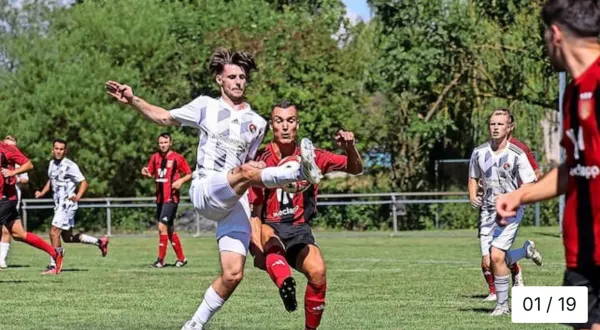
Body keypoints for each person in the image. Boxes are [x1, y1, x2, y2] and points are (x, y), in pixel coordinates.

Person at [105, 48, 323, 330]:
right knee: (246, 172)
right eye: (232, 76)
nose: (238, 81)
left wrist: (257, 172)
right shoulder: (204, 106)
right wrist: (133, 100)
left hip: (234, 198)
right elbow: (163, 118)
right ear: (219, 79)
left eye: (242, 77)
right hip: (207, 188)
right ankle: (297, 170)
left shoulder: (258, 123)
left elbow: (249, 165)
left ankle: (193, 325)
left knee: (233, 274)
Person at [496, 1, 600, 328]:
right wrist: (521, 195)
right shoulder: (572, 93)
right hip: (581, 256)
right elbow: (574, 169)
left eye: (543, 36)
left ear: (555, 34)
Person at [248, 101, 362, 330]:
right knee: (270, 237)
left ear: (297, 124)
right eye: (279, 121)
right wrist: (256, 247)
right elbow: (255, 213)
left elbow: (355, 168)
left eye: (290, 121)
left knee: (318, 272)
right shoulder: (261, 160)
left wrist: (349, 147)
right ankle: (284, 282)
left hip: (300, 229)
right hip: (270, 226)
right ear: (272, 126)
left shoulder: (311, 156)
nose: (285, 126)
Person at [468, 108, 542, 315]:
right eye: (492, 123)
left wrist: (512, 198)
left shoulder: (517, 153)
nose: (495, 127)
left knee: (496, 255)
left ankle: (502, 306)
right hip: (487, 211)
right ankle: (524, 252)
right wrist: (473, 196)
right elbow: (473, 177)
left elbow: (530, 183)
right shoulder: (479, 152)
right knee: (490, 260)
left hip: (510, 210)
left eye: (500, 124)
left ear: (510, 128)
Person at [35, 139, 109, 274]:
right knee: (67, 238)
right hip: (58, 205)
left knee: (53, 232)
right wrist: (42, 192)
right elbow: (51, 180)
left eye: (61, 149)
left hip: (67, 204)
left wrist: (78, 196)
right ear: (52, 150)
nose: (58, 151)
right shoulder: (51, 164)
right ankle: (100, 242)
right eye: (56, 148)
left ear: (65, 151)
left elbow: (84, 182)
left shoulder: (70, 166)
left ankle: (54, 265)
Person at [0, 139, 63, 273]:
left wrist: (12, 173)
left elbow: (28, 164)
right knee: (18, 234)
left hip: (5, 198)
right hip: (7, 198)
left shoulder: (7, 150)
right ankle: (54, 253)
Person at [142, 132, 192, 268]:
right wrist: (146, 172)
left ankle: (160, 260)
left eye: (165, 142)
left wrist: (180, 181)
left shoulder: (177, 158)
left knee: (161, 227)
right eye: (160, 143)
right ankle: (181, 258)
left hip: (171, 198)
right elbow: (150, 172)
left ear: (170, 143)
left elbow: (189, 174)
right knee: (169, 230)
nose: (163, 145)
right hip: (160, 198)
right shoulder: (155, 157)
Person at [0, 135, 30, 269]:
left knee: (6, 229)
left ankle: (2, 260)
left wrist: (13, 176)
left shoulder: (18, 160)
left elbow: (25, 179)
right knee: (17, 233)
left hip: (11, 196)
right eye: (7, 145)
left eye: (12, 146)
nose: (9, 148)